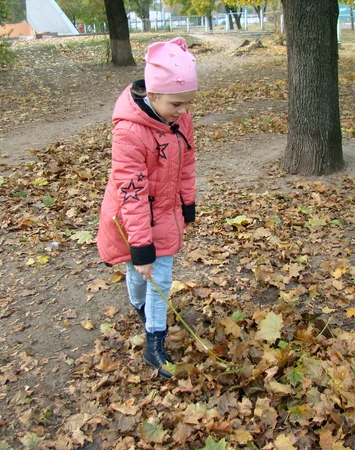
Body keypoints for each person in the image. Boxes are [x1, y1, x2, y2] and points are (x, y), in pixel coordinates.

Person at [96, 37, 197, 380]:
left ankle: (154, 342)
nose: (183, 111)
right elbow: (131, 192)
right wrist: (140, 247)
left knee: (160, 279)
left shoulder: (181, 119)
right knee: (138, 270)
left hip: (166, 213)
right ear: (152, 96)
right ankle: (138, 306)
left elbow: (187, 163)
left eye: (187, 103)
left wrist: (188, 202)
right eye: (176, 104)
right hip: (132, 217)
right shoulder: (129, 132)